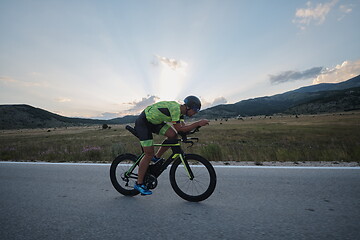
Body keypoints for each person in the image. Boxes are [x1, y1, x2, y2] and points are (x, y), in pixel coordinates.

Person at [133, 95, 209, 195]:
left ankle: (156, 157)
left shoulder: (181, 113)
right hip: (143, 122)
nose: (195, 113)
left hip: (155, 122)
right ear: (188, 107)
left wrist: (194, 128)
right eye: (195, 110)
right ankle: (139, 183)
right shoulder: (175, 109)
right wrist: (198, 123)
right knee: (148, 154)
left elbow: (183, 128)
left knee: (173, 136)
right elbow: (180, 129)